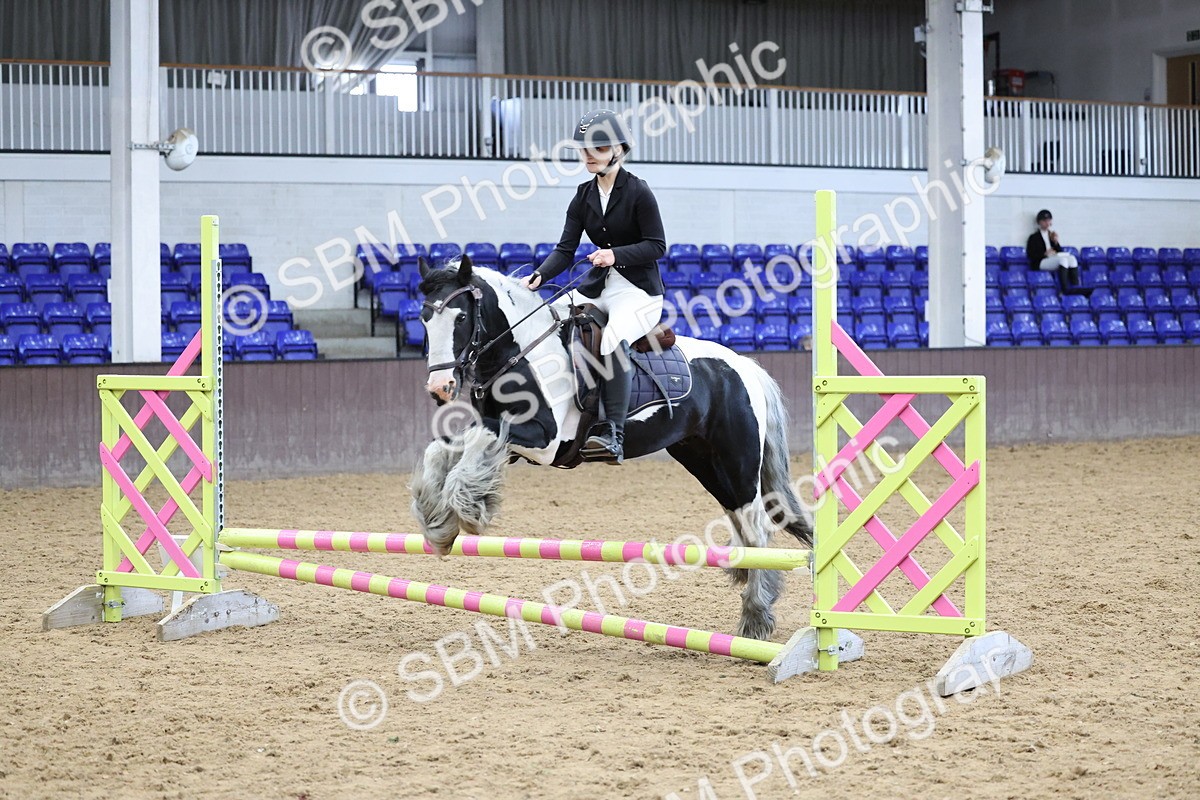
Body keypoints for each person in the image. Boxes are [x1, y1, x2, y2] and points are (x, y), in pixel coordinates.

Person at [520, 109, 666, 464]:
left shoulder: (638, 192)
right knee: (547, 318)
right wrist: (539, 276)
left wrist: (614, 255)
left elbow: (657, 245)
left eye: (597, 148)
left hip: (638, 292)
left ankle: (613, 433)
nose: (588, 155)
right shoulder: (583, 195)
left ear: (618, 149)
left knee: (614, 337)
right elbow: (565, 249)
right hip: (597, 288)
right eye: (584, 149)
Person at [1025, 209, 1083, 293]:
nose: (1047, 223)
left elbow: (1059, 251)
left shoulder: (1051, 235)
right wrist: (1044, 254)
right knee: (1063, 260)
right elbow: (1031, 254)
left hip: (1053, 258)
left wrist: (1055, 242)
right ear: (1039, 222)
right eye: (1044, 221)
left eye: (1048, 221)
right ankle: (1065, 289)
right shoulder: (1034, 237)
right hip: (1041, 261)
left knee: (1072, 259)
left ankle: (1076, 286)